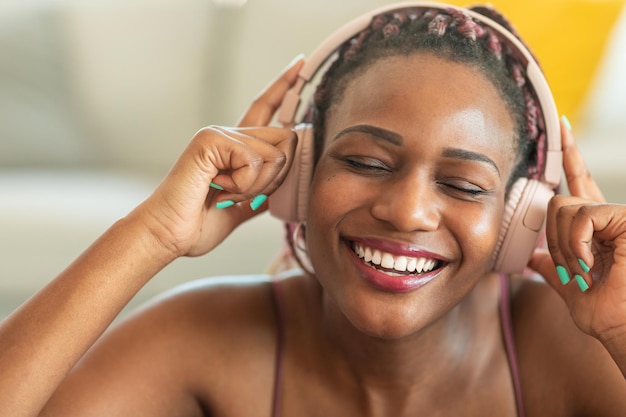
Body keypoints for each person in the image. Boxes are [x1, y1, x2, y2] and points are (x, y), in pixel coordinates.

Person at [1, 2, 626, 416]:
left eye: (463, 185)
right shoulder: (211, 341)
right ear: (299, 175)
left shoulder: (567, 350)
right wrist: (153, 234)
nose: (408, 212)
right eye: (366, 163)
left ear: (521, 219)